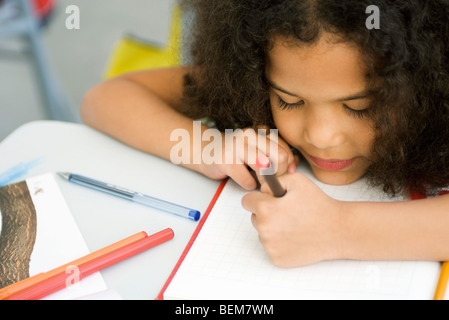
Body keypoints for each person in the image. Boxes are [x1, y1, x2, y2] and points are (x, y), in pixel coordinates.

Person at [81, 0, 449, 268]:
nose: (321, 135)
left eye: (360, 107)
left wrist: (336, 229)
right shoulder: (258, 71)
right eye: (289, 101)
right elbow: (104, 98)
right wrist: (209, 147)